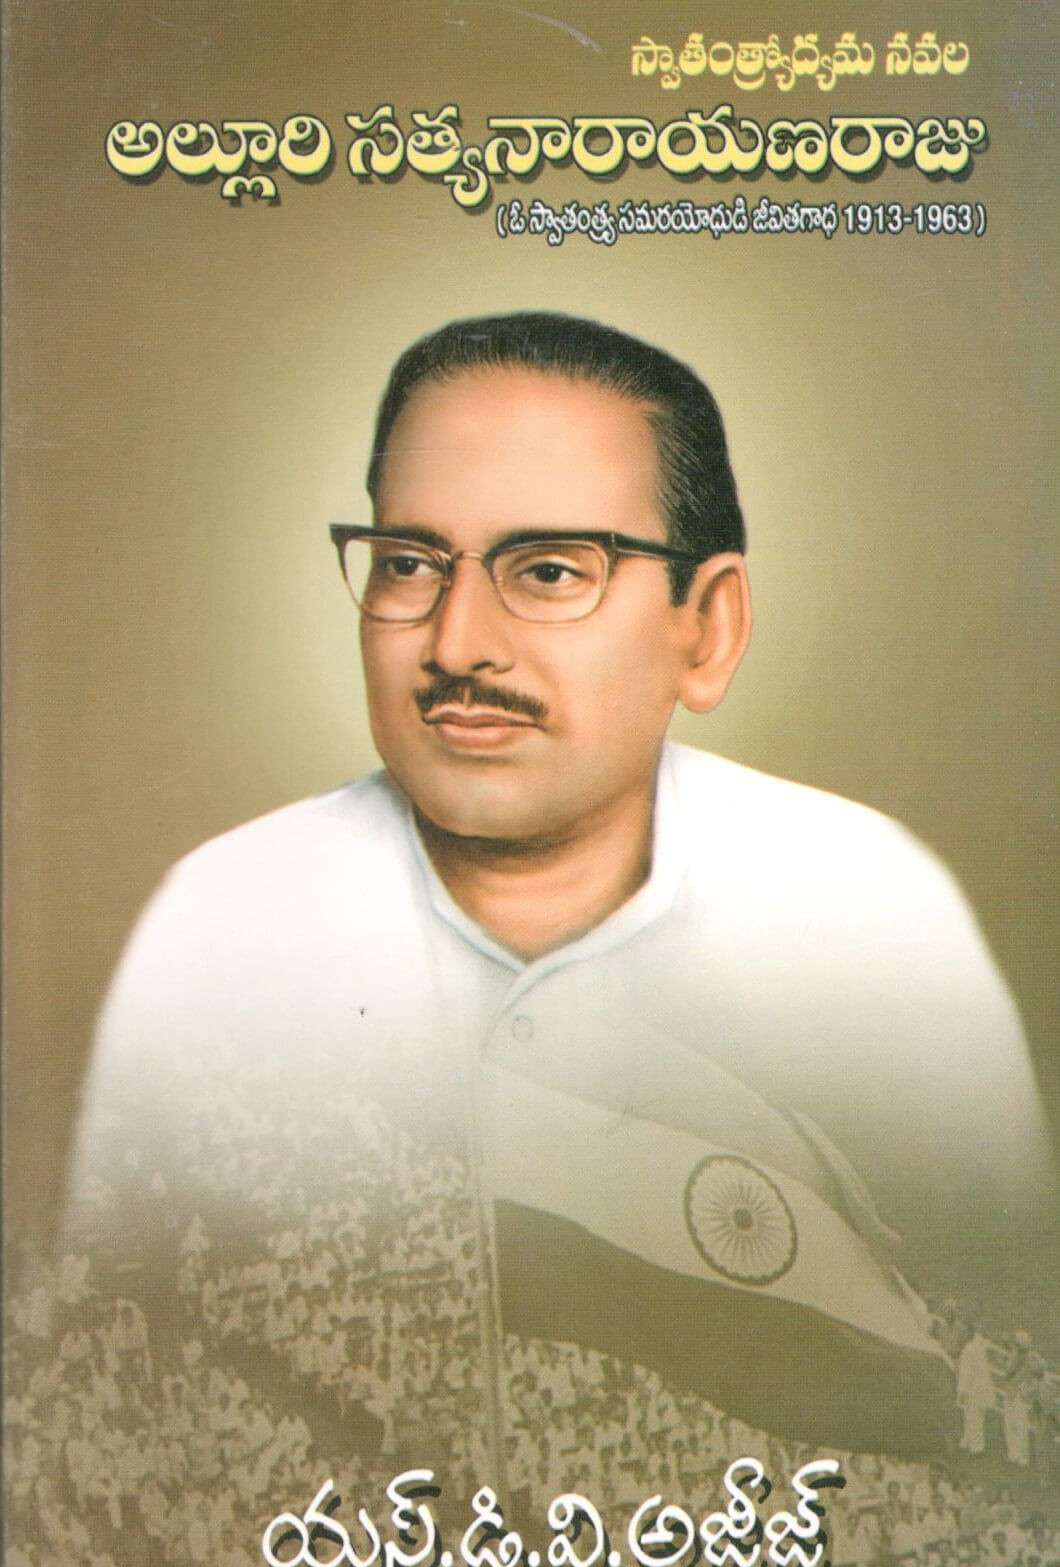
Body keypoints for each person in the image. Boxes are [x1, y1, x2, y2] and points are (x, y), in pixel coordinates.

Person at [65, 314, 1050, 1489]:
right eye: (408, 564)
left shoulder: (875, 914)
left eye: (547, 572)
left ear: (707, 628)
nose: (456, 643)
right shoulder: (219, 926)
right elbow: (108, 1371)